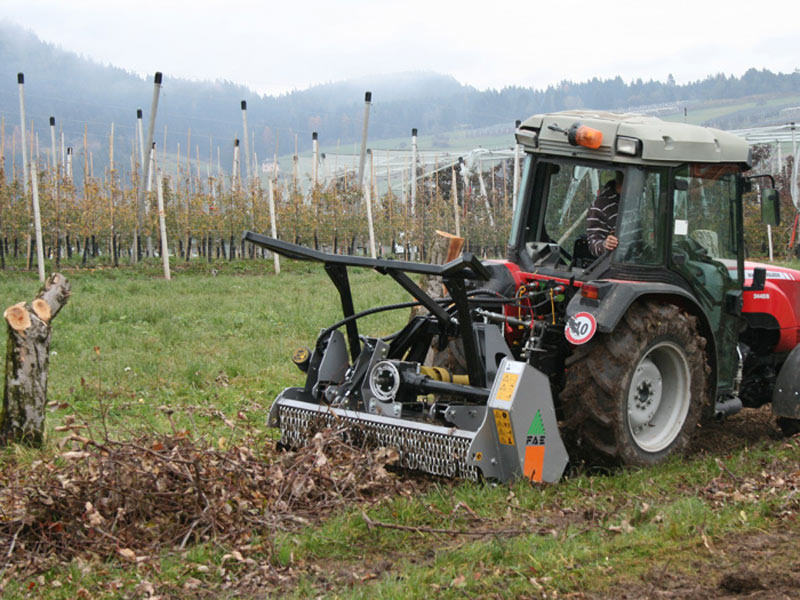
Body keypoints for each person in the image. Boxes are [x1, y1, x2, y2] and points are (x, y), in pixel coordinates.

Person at [587, 171, 623, 257]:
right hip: (614, 262)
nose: (643, 187)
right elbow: (593, 244)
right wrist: (606, 244)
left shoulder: (632, 202)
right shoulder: (600, 205)